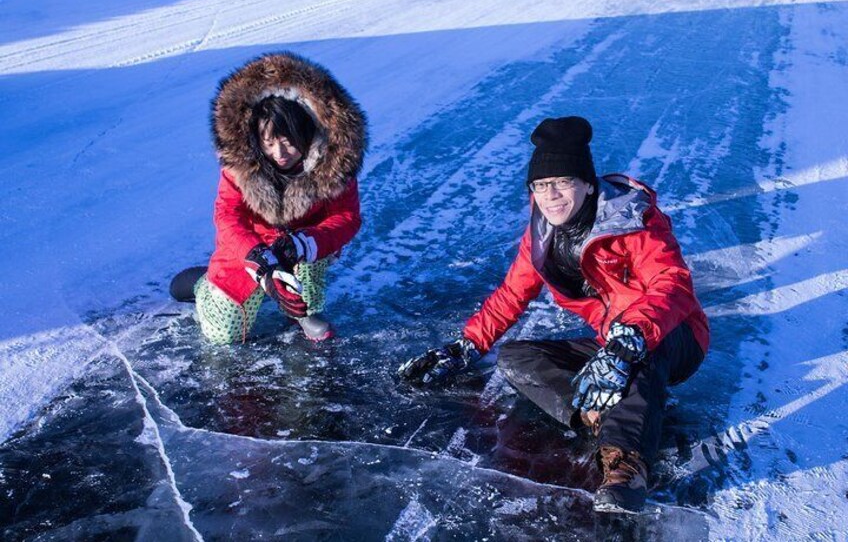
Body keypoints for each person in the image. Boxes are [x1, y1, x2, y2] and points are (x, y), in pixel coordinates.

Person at [397, 116, 709, 514]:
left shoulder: (634, 221)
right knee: (516, 358)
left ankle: (627, 466)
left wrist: (630, 337)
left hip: (672, 336)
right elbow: (513, 293)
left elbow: (672, 284)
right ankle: (597, 416)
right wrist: (466, 346)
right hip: (610, 340)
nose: (551, 195)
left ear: (587, 184)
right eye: (541, 185)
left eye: (563, 182)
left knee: (640, 356)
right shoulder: (543, 233)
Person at [170, 52, 367, 343]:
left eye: (289, 142)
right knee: (224, 335)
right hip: (251, 249)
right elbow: (228, 216)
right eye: (270, 142)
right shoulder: (241, 165)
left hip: (302, 245)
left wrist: (305, 242)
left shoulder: (333, 163)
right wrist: (259, 259)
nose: (280, 154)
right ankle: (204, 285)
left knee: (310, 267)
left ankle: (303, 310)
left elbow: (346, 217)